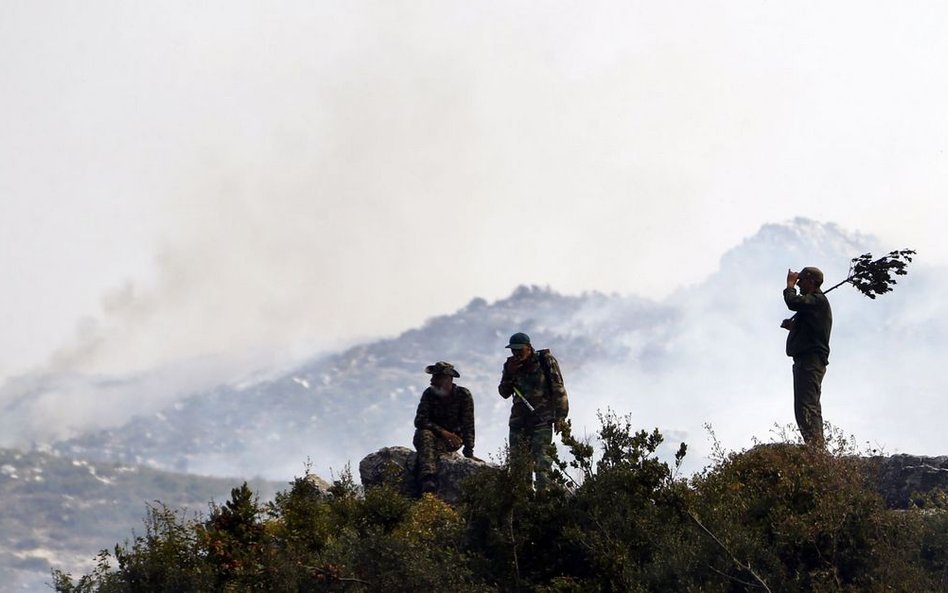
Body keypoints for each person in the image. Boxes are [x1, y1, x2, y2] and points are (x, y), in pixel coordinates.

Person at [498, 332, 569, 490]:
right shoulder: (510, 365)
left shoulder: (545, 361)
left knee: (542, 465)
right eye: (513, 351)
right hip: (518, 423)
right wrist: (510, 373)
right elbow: (504, 392)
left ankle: (544, 504)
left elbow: (559, 389)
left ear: (529, 348)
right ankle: (525, 507)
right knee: (519, 468)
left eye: (519, 350)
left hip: (541, 421)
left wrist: (561, 417)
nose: (516, 354)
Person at [781, 267, 833, 447]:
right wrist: (794, 328)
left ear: (810, 281)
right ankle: (815, 447)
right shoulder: (814, 303)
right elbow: (813, 330)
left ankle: (816, 449)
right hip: (807, 360)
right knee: (806, 404)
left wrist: (789, 285)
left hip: (810, 360)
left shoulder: (817, 300)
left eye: (801, 280)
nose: (799, 283)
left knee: (807, 405)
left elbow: (793, 302)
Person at [413, 361, 475, 494]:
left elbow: (468, 425)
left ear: (447, 379)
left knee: (429, 445)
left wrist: (469, 452)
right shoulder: (428, 394)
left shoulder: (463, 395)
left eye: (436, 377)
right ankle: (428, 480)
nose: (431, 380)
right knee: (424, 435)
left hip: (452, 441)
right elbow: (419, 421)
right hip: (431, 437)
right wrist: (443, 432)